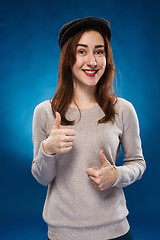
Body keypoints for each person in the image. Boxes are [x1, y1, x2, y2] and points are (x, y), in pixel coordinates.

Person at [31, 17, 146, 240]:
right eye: (82, 51)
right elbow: (42, 177)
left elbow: (138, 163)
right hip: (63, 233)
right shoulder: (45, 112)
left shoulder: (123, 109)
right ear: (68, 58)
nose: (92, 61)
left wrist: (116, 175)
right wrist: (48, 149)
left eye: (99, 51)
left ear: (107, 57)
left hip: (115, 231)